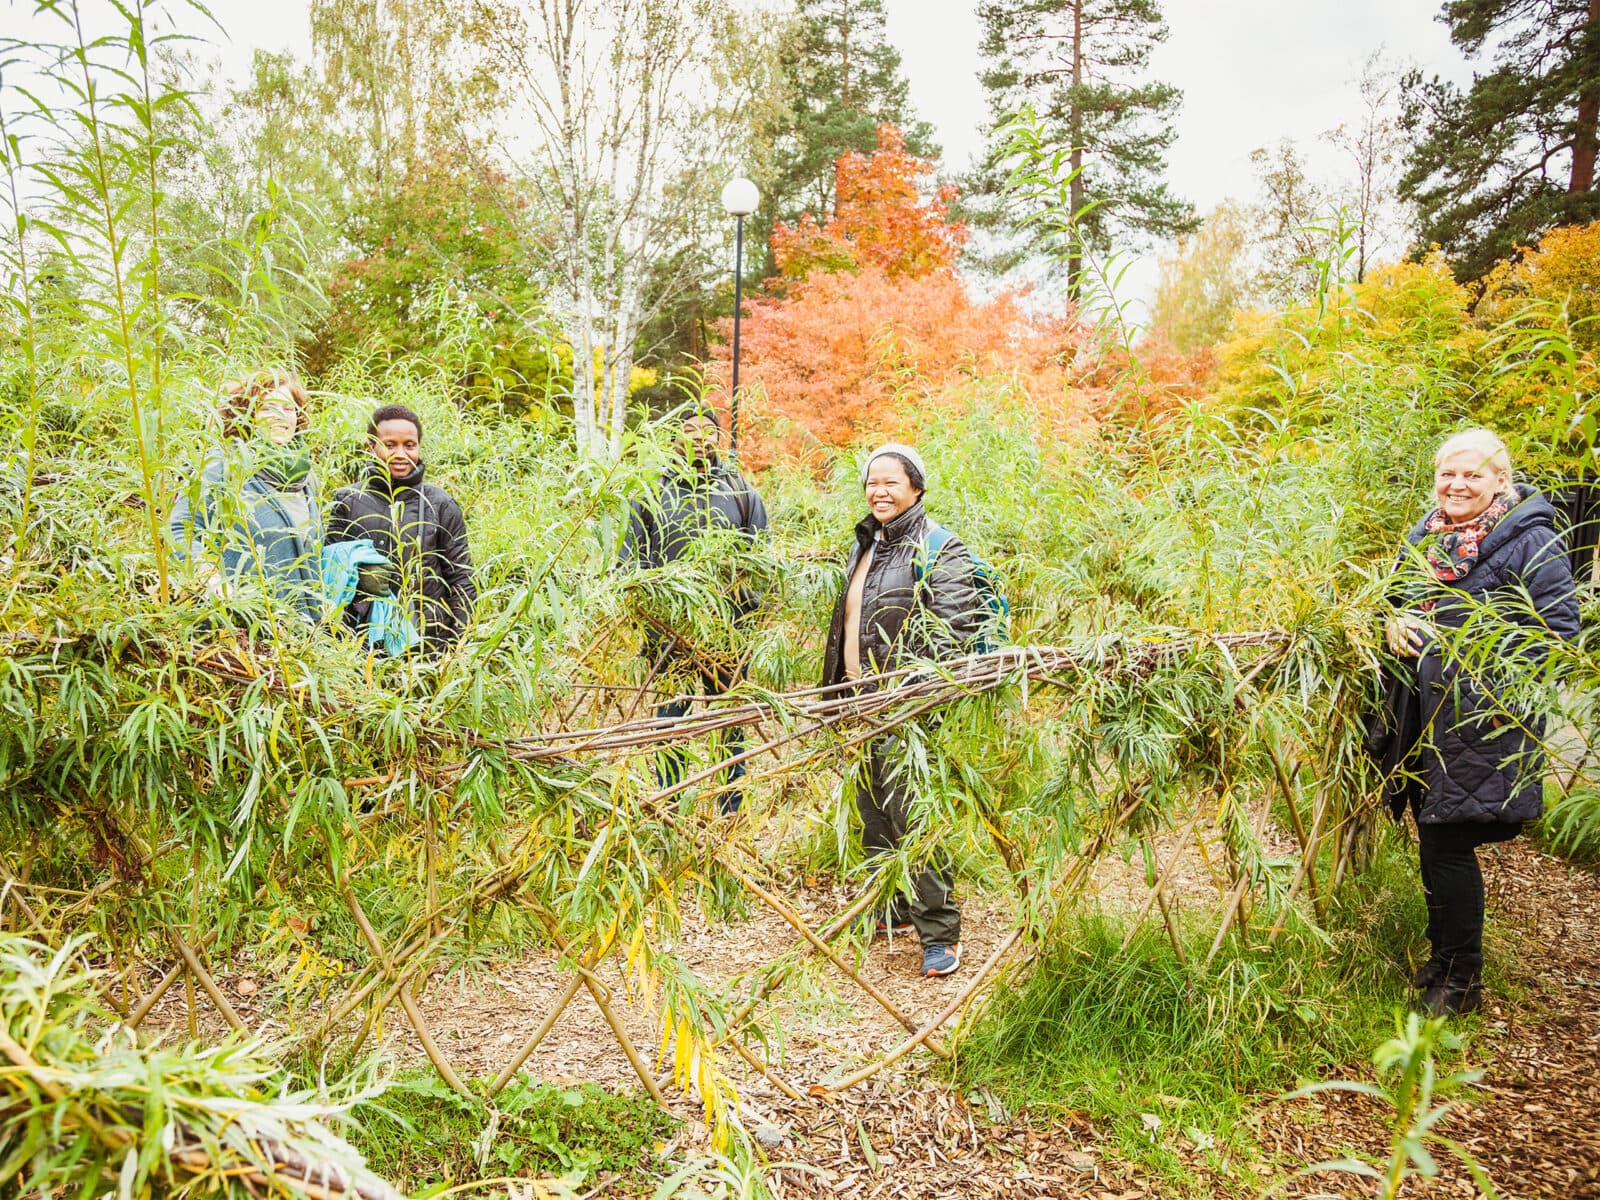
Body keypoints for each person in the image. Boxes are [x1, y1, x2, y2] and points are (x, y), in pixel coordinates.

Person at [1382, 428, 1580, 1016]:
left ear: (1501, 480)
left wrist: (1460, 652)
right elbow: (1390, 598)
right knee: (1435, 835)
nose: (1458, 484)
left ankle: (1462, 980)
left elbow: (1559, 635)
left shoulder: (1531, 539)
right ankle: (1443, 961)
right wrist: (1393, 621)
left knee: (1448, 843)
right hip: (1425, 717)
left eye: (1473, 474)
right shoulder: (1426, 535)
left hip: (1483, 721)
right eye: (1449, 473)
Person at [820, 444, 985, 979]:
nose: (879, 491)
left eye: (891, 482)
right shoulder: (866, 544)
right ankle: (893, 909)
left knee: (914, 814)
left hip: (907, 709)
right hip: (859, 703)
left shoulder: (941, 548)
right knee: (873, 812)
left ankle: (940, 932)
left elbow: (953, 633)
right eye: (872, 482)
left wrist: (914, 702)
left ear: (916, 487)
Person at [622, 401, 768, 813]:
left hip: (727, 635)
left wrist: (740, 615)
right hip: (667, 635)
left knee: (729, 723)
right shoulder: (650, 494)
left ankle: (729, 809)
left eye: (708, 431)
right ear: (674, 437)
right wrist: (657, 616)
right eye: (689, 429)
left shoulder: (741, 494)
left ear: (718, 439)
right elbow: (630, 565)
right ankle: (671, 806)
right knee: (669, 723)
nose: (699, 438)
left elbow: (761, 563)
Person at [170, 369, 323, 622]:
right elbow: (181, 531)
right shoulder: (220, 467)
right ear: (246, 414)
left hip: (299, 635)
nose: (279, 416)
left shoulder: (308, 477)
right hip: (241, 630)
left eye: (288, 408)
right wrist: (211, 580)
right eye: (267, 407)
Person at [326, 403, 476, 652]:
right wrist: (358, 577)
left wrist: (459, 643)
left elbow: (461, 578)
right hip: (362, 642)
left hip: (427, 641)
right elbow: (329, 568)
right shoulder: (348, 501)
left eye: (409, 445)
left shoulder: (440, 504)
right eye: (389, 444)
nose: (400, 454)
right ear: (371, 446)